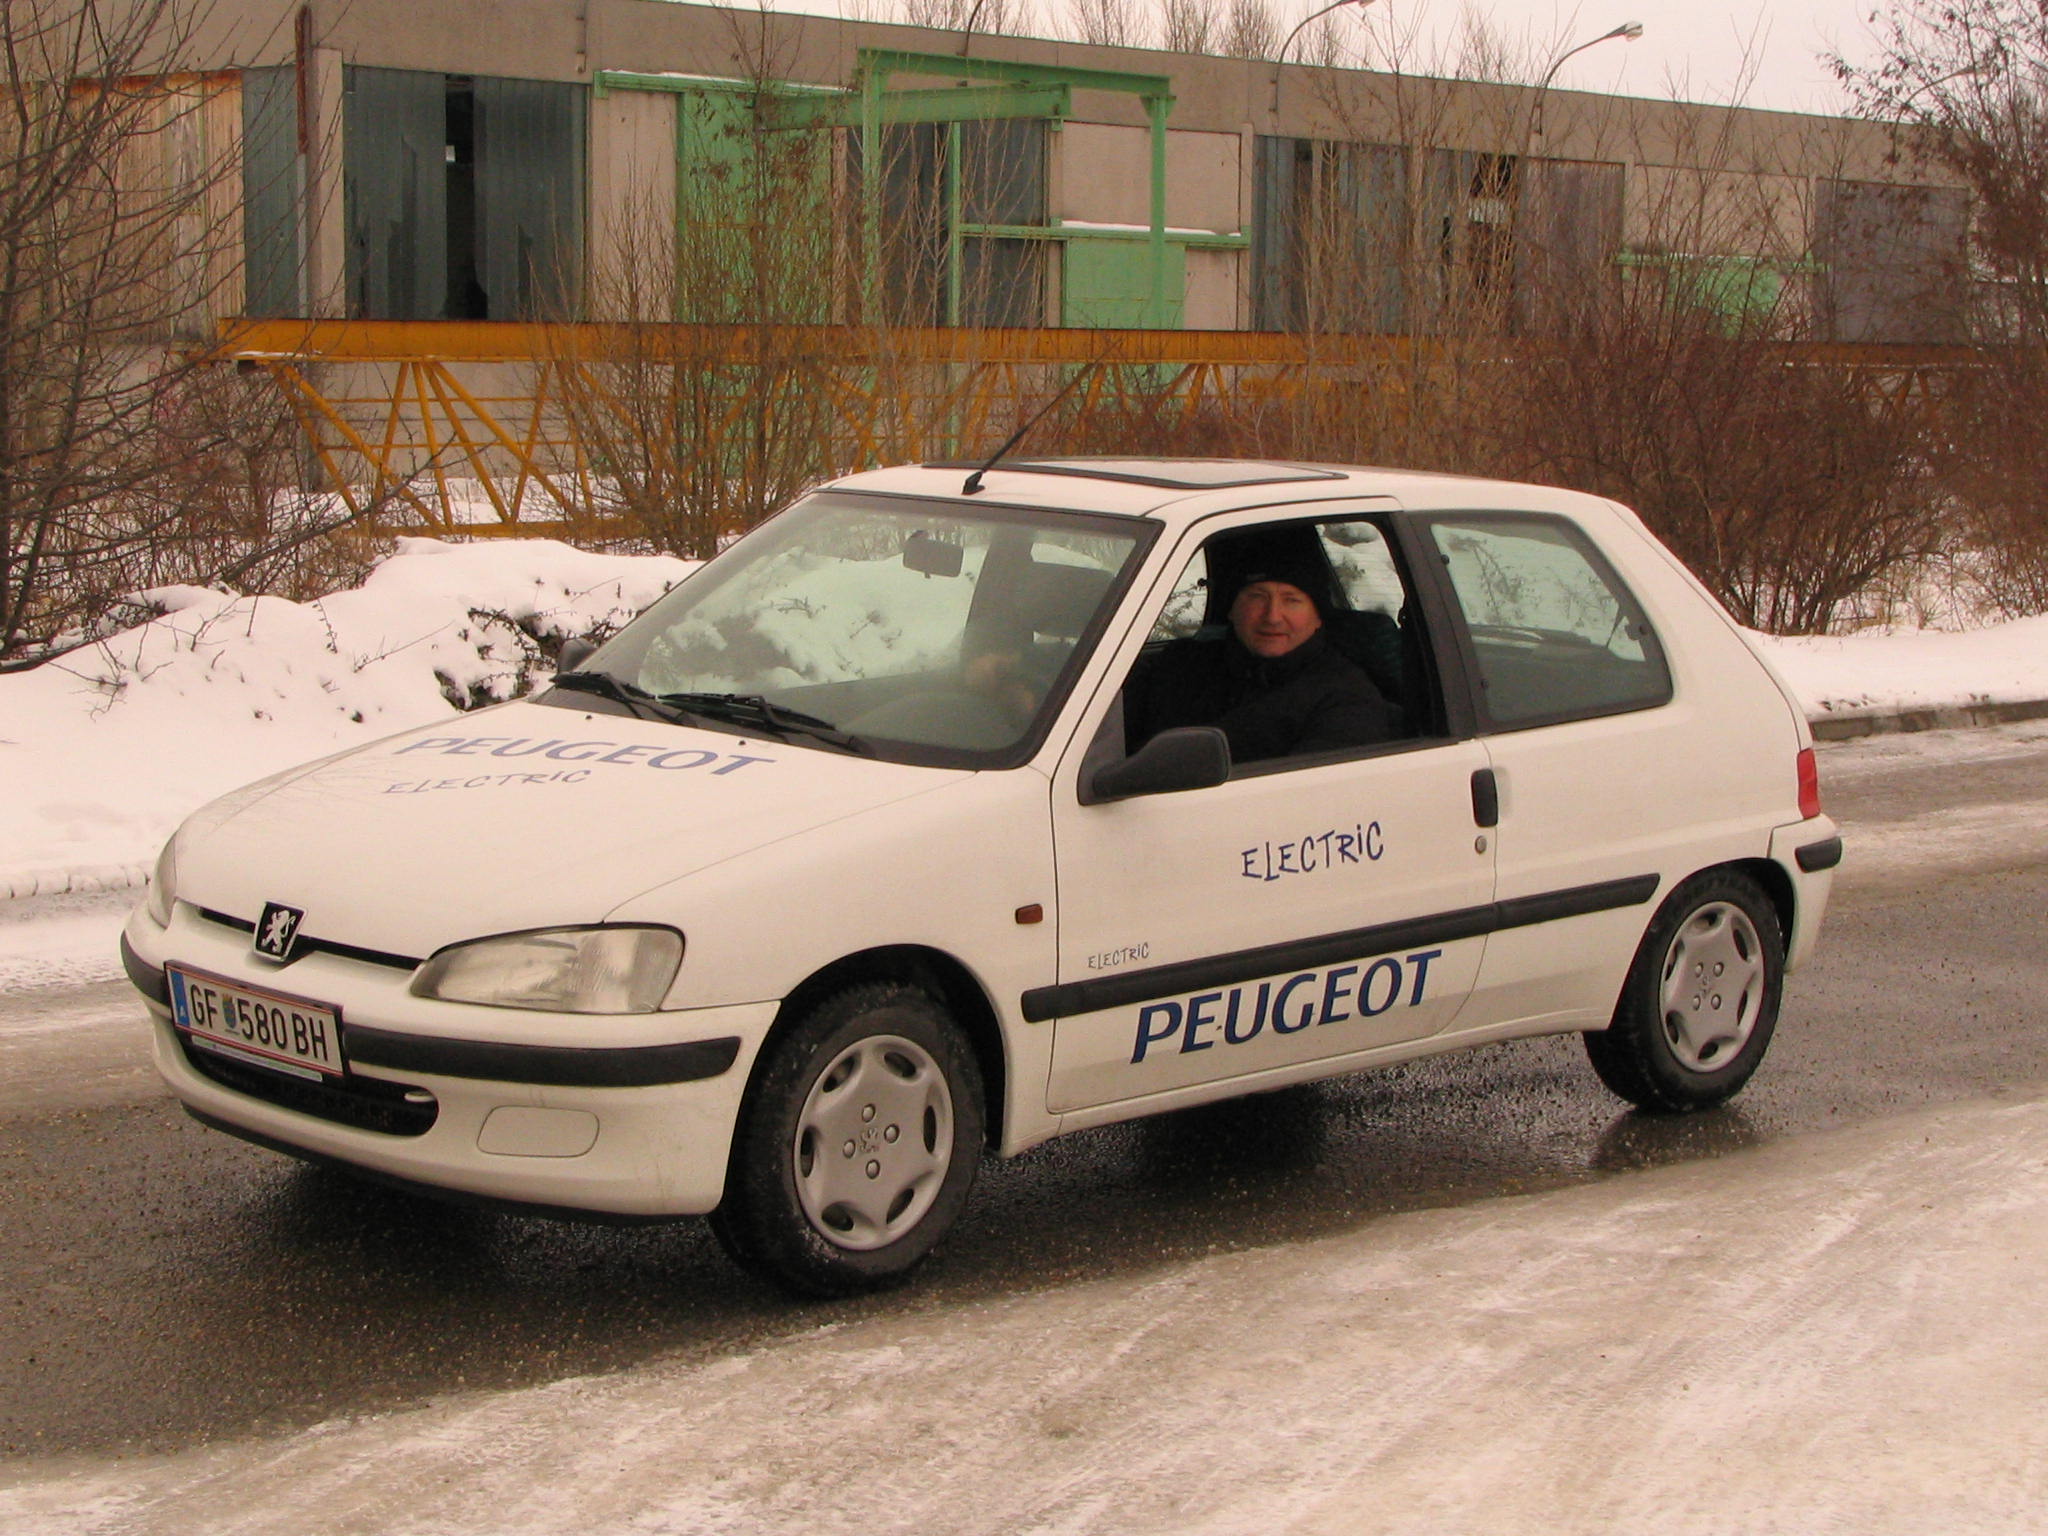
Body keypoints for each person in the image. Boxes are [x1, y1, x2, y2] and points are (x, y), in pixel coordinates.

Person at [1122, 531, 1395, 764]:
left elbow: (1308, 803)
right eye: (1257, 596)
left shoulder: (1346, 699)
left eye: (1292, 600)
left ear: (1318, 617)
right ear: (1232, 608)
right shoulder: (1179, 666)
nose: (1272, 616)